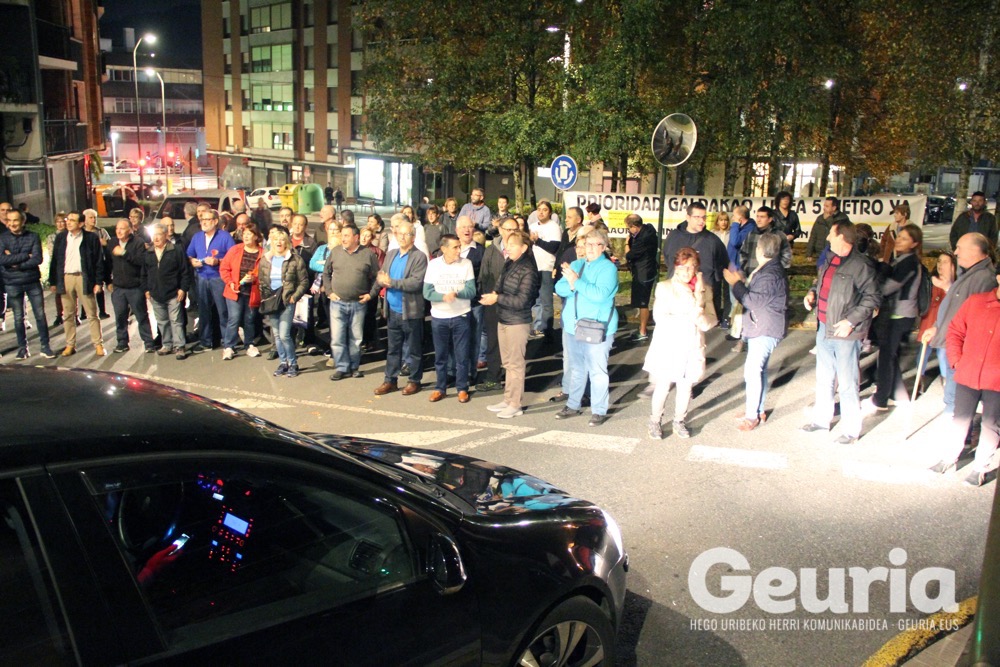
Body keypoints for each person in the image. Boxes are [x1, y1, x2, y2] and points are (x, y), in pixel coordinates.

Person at [801, 221, 881, 444]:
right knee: (824, 378)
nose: (827, 238)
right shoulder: (830, 258)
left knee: (847, 383)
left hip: (845, 333)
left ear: (842, 238)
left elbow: (873, 298)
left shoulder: (861, 265)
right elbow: (821, 283)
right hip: (824, 328)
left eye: (831, 234)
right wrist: (812, 293)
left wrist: (851, 322)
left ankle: (851, 431)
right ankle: (821, 421)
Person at [929, 276, 1000, 486]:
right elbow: (955, 330)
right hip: (968, 371)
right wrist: (956, 360)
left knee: (991, 423)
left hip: (996, 377)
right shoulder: (976, 301)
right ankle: (949, 457)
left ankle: (981, 467)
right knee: (960, 417)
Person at [644, 247, 717, 439]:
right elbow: (660, 317)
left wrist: (699, 302)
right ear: (675, 267)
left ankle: (679, 420)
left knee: (686, 386)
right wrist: (692, 313)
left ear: (697, 268)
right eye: (682, 267)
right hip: (670, 345)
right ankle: (655, 421)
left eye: (691, 267)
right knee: (663, 385)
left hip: (693, 345)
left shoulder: (704, 289)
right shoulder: (665, 287)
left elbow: (710, 321)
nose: (686, 272)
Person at [921, 233, 997, 415]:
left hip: (962, 348)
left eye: (959, 248)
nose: (956, 252)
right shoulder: (969, 274)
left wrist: (959, 356)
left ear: (974, 250)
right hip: (953, 343)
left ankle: (954, 423)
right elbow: (955, 308)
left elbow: (977, 318)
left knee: (956, 397)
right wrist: (937, 327)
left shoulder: (983, 278)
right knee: (952, 391)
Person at [554, 228, 620, 427]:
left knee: (597, 371)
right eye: (587, 244)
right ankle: (573, 405)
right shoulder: (577, 264)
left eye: (595, 244)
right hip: (573, 326)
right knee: (577, 368)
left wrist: (576, 282)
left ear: (604, 247)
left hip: (597, 327)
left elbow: (599, 295)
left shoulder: (608, 269)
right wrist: (572, 285)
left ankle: (598, 410)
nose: (589, 248)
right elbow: (559, 288)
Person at [724, 234, 788, 431]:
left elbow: (752, 301)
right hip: (763, 326)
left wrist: (736, 284)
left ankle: (752, 417)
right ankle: (757, 410)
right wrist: (742, 281)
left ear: (760, 250)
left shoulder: (770, 274)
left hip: (764, 329)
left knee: (752, 372)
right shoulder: (769, 269)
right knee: (760, 371)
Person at [480, 230, 539, 418]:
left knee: (516, 365)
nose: (508, 248)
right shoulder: (509, 263)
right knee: (507, 363)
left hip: (517, 321)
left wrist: (497, 298)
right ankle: (507, 399)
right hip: (503, 318)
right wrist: (492, 295)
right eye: (507, 244)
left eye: (513, 245)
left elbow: (522, 300)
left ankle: (515, 404)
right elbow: (499, 285)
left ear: (524, 248)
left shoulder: (528, 269)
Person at [865, 224, 923, 411]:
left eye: (905, 238)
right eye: (899, 237)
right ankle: (898, 394)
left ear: (914, 243)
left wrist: (873, 286)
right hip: (898, 313)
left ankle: (881, 398)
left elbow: (889, 287)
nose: (899, 240)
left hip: (900, 314)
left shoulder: (909, 263)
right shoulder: (902, 260)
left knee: (887, 355)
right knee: (890, 354)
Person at [374, 220, 427, 396]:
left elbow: (416, 283)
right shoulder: (391, 254)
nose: (402, 237)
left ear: (413, 237)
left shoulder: (419, 257)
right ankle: (390, 380)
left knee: (414, 349)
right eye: (399, 234)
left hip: (410, 311)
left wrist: (391, 282)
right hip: (392, 309)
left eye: (406, 234)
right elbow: (381, 275)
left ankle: (414, 381)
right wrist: (378, 284)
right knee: (393, 349)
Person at [662, 202, 728, 343]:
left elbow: (722, 265)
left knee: (696, 343)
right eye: (697, 217)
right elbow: (668, 259)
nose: (701, 221)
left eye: (704, 217)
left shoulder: (713, 240)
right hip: (677, 298)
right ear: (688, 217)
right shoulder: (673, 237)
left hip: (699, 301)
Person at [324, 223, 381, 380]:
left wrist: (371, 295)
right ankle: (342, 368)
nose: (343, 239)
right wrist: (329, 292)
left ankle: (354, 367)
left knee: (356, 338)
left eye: (346, 236)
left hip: (358, 304)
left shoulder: (368, 254)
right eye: (342, 235)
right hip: (337, 303)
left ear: (356, 238)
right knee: (337, 338)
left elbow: (377, 277)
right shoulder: (335, 252)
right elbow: (326, 273)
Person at [423, 234, 476, 403]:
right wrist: (443, 297)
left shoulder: (466, 264)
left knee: (462, 355)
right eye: (455, 247)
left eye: (459, 246)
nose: (459, 250)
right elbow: (427, 292)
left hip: (461, 315)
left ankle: (462, 388)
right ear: (443, 249)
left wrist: (457, 293)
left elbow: (472, 291)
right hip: (439, 317)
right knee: (441, 356)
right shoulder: (433, 265)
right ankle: (440, 388)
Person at [0, 208, 55, 359]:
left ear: (23, 221)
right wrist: (25, 255)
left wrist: (15, 262)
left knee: (40, 315)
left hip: (32, 281)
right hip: (12, 283)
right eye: (9, 220)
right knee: (18, 317)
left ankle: (45, 347)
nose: (12, 223)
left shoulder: (33, 236)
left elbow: (37, 259)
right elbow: (2, 259)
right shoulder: (2, 238)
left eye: (15, 220)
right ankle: (22, 349)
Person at [49, 211, 106, 357]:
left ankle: (98, 344)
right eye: (67, 219)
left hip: (84, 277)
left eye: (72, 220)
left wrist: (98, 282)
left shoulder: (91, 238)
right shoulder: (61, 237)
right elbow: (55, 260)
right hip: (66, 277)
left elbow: (99, 261)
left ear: (81, 223)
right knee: (68, 314)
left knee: (92, 314)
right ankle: (70, 344)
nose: (68, 222)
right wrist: (53, 281)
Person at [477, 218, 521, 393]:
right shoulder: (492, 250)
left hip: (514, 304)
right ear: (500, 230)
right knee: (493, 341)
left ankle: (513, 380)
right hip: (493, 303)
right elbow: (484, 276)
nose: (511, 232)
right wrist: (490, 296)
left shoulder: (524, 249)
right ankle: (493, 377)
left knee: (514, 345)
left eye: (515, 229)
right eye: (508, 229)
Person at [260, 227, 309, 377]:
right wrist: (265, 297)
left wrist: (294, 297)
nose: (279, 242)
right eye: (276, 240)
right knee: (276, 335)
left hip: (287, 301)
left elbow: (304, 281)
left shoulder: (295, 259)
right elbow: (261, 281)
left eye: (282, 239)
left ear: (287, 242)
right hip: (271, 301)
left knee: (284, 335)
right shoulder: (266, 259)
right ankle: (283, 362)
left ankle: (293, 363)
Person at [187, 208, 235, 352]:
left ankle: (227, 342)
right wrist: (192, 261)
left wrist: (218, 261)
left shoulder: (225, 237)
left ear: (215, 221)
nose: (204, 222)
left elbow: (233, 258)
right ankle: (206, 342)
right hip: (202, 277)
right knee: (203, 311)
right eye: (202, 220)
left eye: (207, 220)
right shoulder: (197, 237)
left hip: (219, 278)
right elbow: (189, 254)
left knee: (223, 311)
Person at [142, 222, 192, 359]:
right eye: (154, 235)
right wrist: (146, 290)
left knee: (176, 321)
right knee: (162, 321)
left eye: (159, 235)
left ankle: (179, 346)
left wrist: (183, 289)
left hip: (174, 293)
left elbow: (185, 271)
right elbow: (144, 273)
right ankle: (167, 344)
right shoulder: (148, 253)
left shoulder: (176, 250)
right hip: (155, 294)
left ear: (165, 235)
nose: (156, 238)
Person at [107, 219, 156, 353]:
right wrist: (107, 281)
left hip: (135, 287)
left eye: (122, 228)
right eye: (117, 228)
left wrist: (124, 253)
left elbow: (141, 261)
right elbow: (108, 263)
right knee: (120, 316)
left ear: (129, 230)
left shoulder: (138, 242)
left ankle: (149, 343)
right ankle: (122, 343)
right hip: (118, 287)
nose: (119, 231)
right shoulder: (113, 242)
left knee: (141, 316)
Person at [220, 222, 264, 360]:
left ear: (256, 236)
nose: (246, 237)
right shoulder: (235, 249)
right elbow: (224, 268)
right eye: (244, 234)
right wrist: (230, 282)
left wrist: (255, 279)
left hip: (252, 292)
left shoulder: (263, 253)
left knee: (249, 319)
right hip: (235, 291)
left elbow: (266, 273)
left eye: (249, 234)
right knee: (234, 318)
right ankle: (229, 346)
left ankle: (249, 344)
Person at [917, 251, 955, 378]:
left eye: (945, 262)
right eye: (939, 261)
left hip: (945, 323)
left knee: (943, 353)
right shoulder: (931, 281)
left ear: (953, 266)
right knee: (923, 352)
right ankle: (919, 379)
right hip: (929, 320)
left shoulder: (957, 284)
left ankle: (946, 379)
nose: (940, 264)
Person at [528, 200, 561, 339]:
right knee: (535, 300)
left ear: (550, 212)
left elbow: (554, 247)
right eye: (539, 209)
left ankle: (548, 332)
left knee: (546, 301)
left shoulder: (554, 227)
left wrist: (538, 241)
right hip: (533, 267)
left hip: (546, 267)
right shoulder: (532, 226)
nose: (541, 212)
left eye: (545, 210)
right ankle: (537, 327)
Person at [624, 214, 659, 342]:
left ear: (634, 226)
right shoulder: (648, 230)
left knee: (643, 302)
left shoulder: (643, 239)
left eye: (629, 228)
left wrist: (626, 243)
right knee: (641, 302)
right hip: (646, 269)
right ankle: (641, 328)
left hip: (643, 271)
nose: (629, 231)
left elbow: (629, 255)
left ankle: (643, 331)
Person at [82, 208, 111, 319]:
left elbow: (109, 244)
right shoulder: (81, 233)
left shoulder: (101, 231)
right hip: (86, 264)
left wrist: (105, 243)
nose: (93, 220)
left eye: (95, 217)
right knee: (85, 287)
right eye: (91, 217)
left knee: (99, 286)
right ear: (85, 219)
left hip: (99, 262)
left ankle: (102, 311)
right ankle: (84, 312)